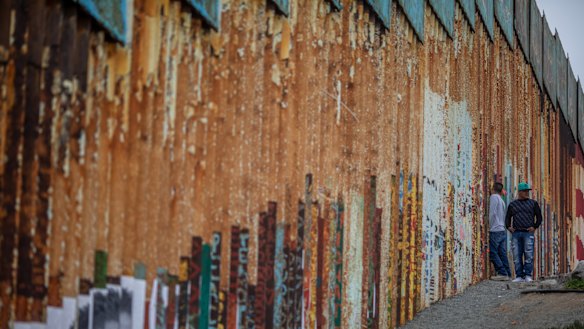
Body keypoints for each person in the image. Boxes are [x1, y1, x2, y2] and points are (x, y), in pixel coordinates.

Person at [505, 182, 543, 283]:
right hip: (516, 233)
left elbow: (539, 217)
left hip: (528, 233)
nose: (527, 193)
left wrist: (534, 227)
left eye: (528, 191)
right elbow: (507, 217)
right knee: (517, 256)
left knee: (529, 255)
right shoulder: (513, 205)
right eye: (525, 191)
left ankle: (528, 276)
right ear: (520, 192)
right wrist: (509, 227)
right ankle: (519, 276)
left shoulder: (533, 203)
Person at [489, 182, 511, 281]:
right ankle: (508, 273)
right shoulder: (502, 200)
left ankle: (502, 272)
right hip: (502, 229)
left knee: (493, 252)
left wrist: (489, 226)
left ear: (493, 188)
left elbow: (492, 213)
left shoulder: (494, 197)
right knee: (502, 253)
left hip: (495, 229)